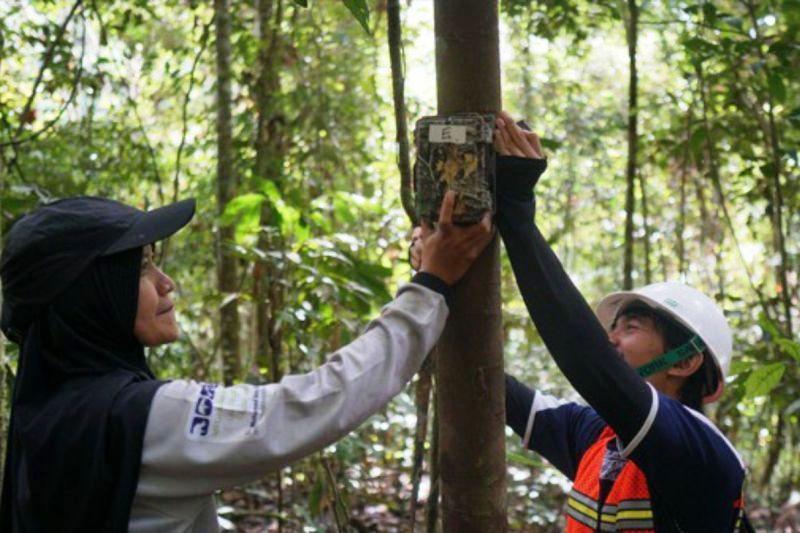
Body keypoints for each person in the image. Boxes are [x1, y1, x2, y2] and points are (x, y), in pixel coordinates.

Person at [0, 191, 493, 532]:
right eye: (142, 267)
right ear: (92, 294)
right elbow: (316, 403)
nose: (166, 282)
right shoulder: (135, 419)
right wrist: (429, 287)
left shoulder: (47, 410)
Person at [411, 112, 749, 531]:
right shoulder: (596, 437)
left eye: (631, 328)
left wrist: (518, 215)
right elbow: (483, 381)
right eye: (613, 328)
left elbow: (588, 359)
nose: (611, 340)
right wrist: (434, 277)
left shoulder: (698, 451)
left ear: (684, 361)